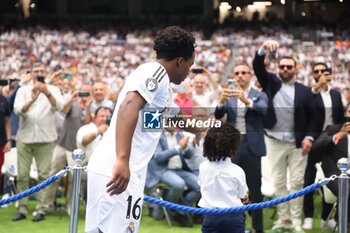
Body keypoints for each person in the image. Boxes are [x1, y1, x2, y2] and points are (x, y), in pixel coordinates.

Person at [85, 26, 196, 233]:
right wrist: (122, 159)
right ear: (180, 61)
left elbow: (174, 116)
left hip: (117, 167)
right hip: (118, 167)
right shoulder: (156, 73)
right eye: (190, 65)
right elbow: (129, 106)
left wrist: (206, 128)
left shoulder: (161, 87)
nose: (189, 71)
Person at [252, 40, 319, 233]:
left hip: (298, 144)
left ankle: (296, 222)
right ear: (278, 68)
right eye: (282, 67)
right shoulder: (271, 83)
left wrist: (309, 138)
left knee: (297, 183)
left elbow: (314, 119)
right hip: (274, 141)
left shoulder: (305, 92)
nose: (285, 70)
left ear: (296, 69)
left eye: (289, 67)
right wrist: (263, 49)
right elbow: (258, 67)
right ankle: (284, 220)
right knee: (279, 182)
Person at [214, 61, 268, 233]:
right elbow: (218, 115)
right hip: (233, 147)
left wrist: (245, 100)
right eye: (237, 73)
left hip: (252, 146)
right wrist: (221, 101)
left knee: (255, 190)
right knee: (233, 189)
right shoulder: (228, 95)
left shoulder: (258, 94)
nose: (240, 76)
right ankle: (236, 227)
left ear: (250, 75)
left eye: (244, 73)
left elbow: (263, 110)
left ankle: (258, 228)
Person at [12, 62, 64, 222]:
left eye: (42, 71)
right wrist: (32, 100)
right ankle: (22, 208)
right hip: (25, 138)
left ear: (45, 73)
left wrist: (47, 93)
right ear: (32, 73)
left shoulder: (53, 90)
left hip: (46, 139)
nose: (39, 73)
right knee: (22, 175)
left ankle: (41, 209)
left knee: (43, 175)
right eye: (36, 71)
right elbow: (18, 110)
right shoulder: (23, 90)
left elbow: (59, 107)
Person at [302, 63, 344, 230]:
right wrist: (316, 87)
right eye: (316, 71)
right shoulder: (309, 94)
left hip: (332, 141)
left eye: (323, 71)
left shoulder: (335, 95)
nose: (320, 74)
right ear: (313, 74)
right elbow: (304, 109)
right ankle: (309, 215)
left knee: (333, 177)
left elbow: (339, 118)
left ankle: (328, 216)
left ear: (329, 74)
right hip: (314, 140)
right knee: (309, 179)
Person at [198, 123, 249, 233]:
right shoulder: (237, 171)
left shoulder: (203, 167)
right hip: (233, 217)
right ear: (232, 148)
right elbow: (242, 196)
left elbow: (202, 186)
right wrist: (245, 197)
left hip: (210, 217)